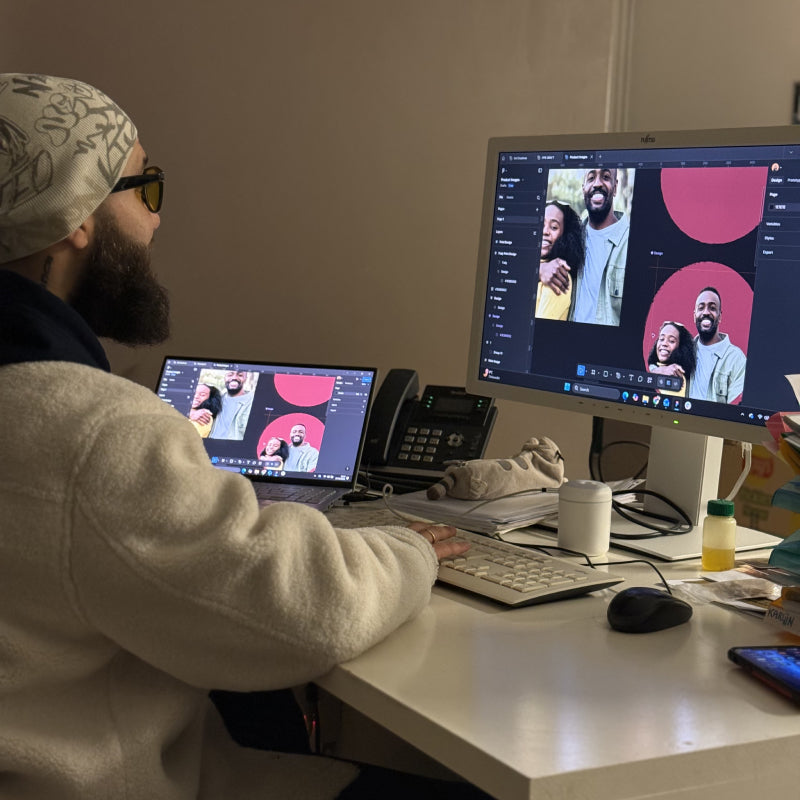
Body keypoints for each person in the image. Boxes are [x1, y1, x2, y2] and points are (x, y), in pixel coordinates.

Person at [0, 73, 489, 800]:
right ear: (76, 214)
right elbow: (300, 613)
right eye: (145, 188)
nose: (157, 221)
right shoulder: (90, 429)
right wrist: (410, 549)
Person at [539, 168, 630, 325]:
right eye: (591, 178)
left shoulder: (629, 243)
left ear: (615, 187)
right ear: (583, 189)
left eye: (606, 177)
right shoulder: (571, 240)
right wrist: (539, 270)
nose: (597, 183)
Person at [687, 286, 747, 403]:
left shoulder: (736, 359)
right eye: (701, 308)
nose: (706, 312)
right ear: (694, 316)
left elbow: (735, 407)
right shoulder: (684, 351)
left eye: (712, 308)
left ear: (720, 317)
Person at [535, 200, 585, 321]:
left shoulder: (557, 277)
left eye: (553, 227)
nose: (545, 231)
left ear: (566, 236)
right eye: (541, 224)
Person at [646, 320, 696, 397]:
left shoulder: (675, 375)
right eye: (661, 339)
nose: (664, 344)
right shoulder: (653, 367)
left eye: (671, 341)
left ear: (682, 347)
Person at [208, 369, 254, 439]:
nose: (234, 378)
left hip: (233, 448)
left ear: (245, 378)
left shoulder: (252, 402)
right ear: (225, 377)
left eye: (240, 375)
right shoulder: (216, 399)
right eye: (230, 374)